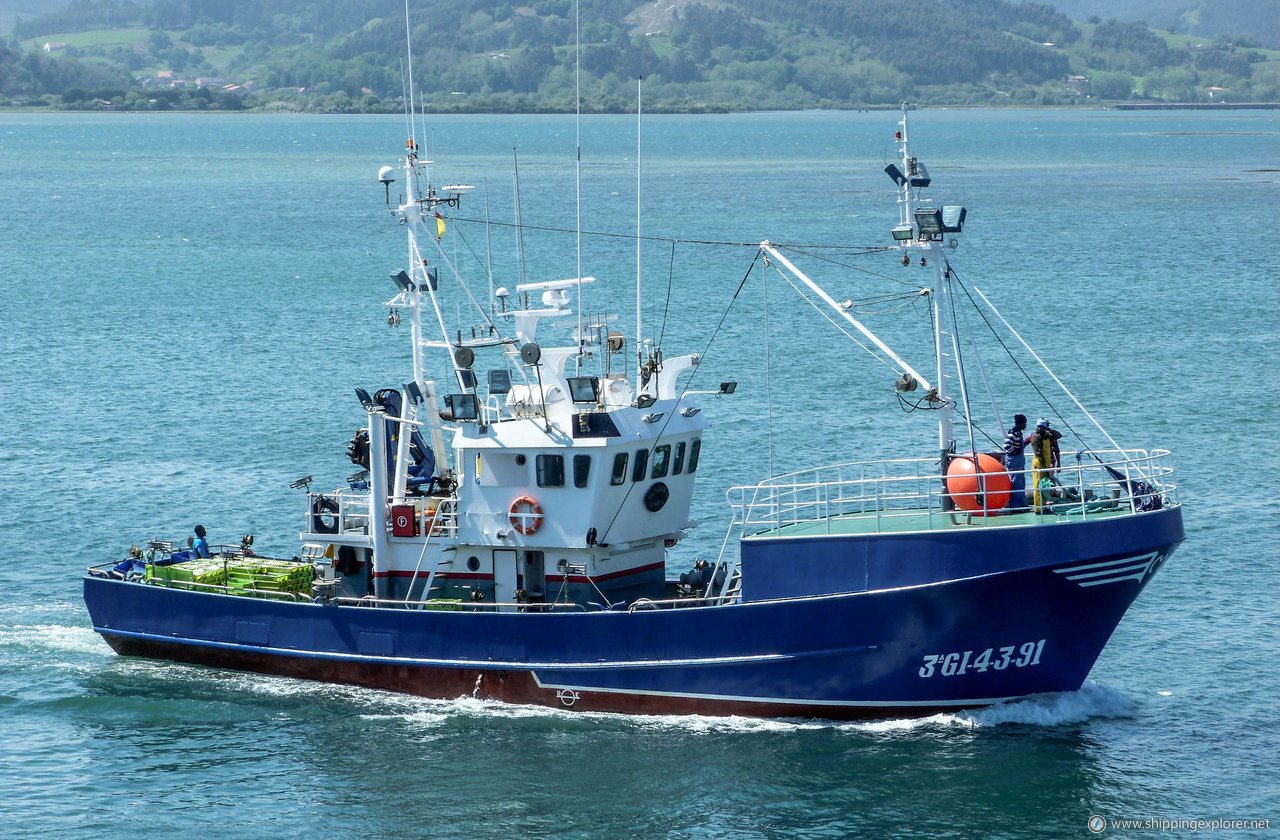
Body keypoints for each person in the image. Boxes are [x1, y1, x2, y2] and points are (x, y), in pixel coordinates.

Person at [1028, 418, 1062, 510]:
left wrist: (1050, 430)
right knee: (1038, 486)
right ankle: (1039, 509)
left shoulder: (1047, 436)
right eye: (1047, 426)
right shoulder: (1035, 437)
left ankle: (1043, 506)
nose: (1048, 428)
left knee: (1044, 487)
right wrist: (1045, 470)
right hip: (1039, 465)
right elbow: (1039, 454)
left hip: (1046, 465)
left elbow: (1058, 435)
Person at [1002, 414, 1029, 509]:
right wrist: (1015, 451)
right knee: (1016, 482)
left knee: (1021, 482)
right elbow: (1006, 446)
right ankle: (1015, 506)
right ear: (1021, 423)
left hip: (1019, 461)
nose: (1026, 425)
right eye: (1025, 423)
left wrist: (1028, 440)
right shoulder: (1013, 433)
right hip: (1014, 460)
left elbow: (1021, 445)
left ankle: (1022, 504)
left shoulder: (1019, 433)